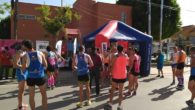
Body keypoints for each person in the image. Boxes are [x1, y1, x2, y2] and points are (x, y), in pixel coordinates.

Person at [21, 40, 48, 110]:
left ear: (25, 46)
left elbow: (23, 69)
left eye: (23, 45)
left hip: (30, 77)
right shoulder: (41, 53)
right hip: (40, 76)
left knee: (31, 96)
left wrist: (27, 67)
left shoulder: (24, 56)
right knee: (44, 95)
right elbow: (46, 65)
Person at [105, 45, 129, 110]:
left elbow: (110, 64)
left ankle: (110, 104)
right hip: (123, 75)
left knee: (112, 90)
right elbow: (127, 64)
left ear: (117, 49)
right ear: (122, 49)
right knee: (121, 91)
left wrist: (109, 71)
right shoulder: (126, 56)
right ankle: (120, 106)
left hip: (115, 75)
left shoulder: (115, 56)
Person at [13, 44, 28, 110]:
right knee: (21, 90)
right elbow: (15, 65)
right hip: (21, 72)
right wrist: (24, 66)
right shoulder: (19, 52)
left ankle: (21, 103)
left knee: (23, 90)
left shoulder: (24, 52)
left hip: (25, 72)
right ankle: (19, 106)